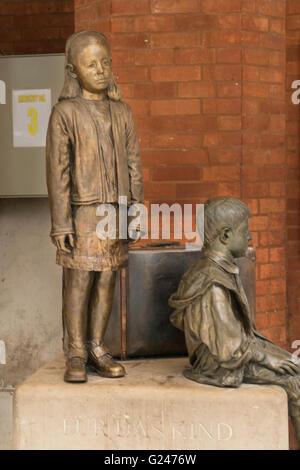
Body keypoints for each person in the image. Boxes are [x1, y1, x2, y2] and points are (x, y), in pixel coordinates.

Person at [46, 30, 143, 383]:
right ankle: (75, 351)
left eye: (106, 62)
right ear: (73, 71)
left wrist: (136, 211)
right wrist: (61, 223)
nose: (101, 70)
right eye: (91, 64)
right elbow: (58, 173)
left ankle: (97, 347)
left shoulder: (122, 112)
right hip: (82, 211)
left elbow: (134, 165)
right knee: (79, 281)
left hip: (115, 211)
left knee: (106, 280)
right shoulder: (65, 113)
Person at [169, 196, 300, 447]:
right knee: (295, 380)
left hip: (236, 351)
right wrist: (268, 357)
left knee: (295, 364)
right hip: (220, 365)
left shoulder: (221, 269)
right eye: (246, 230)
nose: (250, 237)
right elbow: (230, 348)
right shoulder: (212, 283)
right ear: (226, 236)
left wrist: (273, 353)